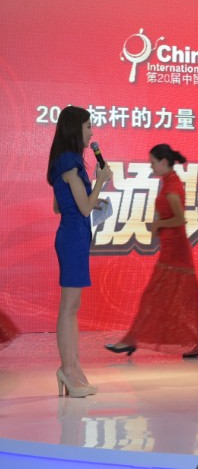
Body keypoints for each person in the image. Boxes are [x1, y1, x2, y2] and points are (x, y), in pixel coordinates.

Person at [105, 144, 198, 357]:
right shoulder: (169, 182)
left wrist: (158, 224)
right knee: (181, 297)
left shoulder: (172, 186)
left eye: (153, 162)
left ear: (164, 162)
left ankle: (132, 340)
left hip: (176, 252)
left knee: (171, 297)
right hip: (171, 249)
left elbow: (179, 219)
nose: (151, 167)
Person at [47, 105, 113, 397]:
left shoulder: (66, 161)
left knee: (72, 307)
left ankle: (73, 368)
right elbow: (84, 208)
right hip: (73, 237)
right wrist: (100, 181)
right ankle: (68, 370)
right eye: (88, 127)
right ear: (75, 129)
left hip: (74, 235)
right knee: (69, 307)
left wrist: (93, 198)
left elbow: (60, 205)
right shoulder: (69, 162)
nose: (92, 133)